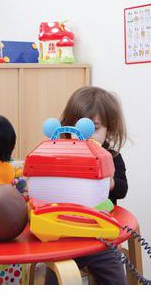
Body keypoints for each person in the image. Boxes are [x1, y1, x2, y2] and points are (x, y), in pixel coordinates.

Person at [45, 85, 128, 285]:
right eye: (78, 129)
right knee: (56, 278)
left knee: (116, 281)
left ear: (109, 128)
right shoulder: (64, 153)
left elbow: (122, 189)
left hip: (100, 237)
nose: (84, 136)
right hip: (66, 236)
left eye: (94, 128)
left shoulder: (112, 156)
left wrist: (109, 182)